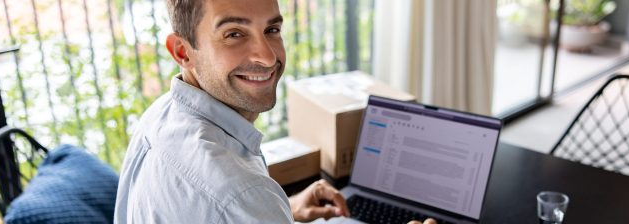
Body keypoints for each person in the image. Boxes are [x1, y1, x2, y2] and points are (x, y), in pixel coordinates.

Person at [114, 0, 436, 223]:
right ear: (183, 52)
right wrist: (260, 208)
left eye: (272, 30)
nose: (268, 57)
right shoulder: (239, 192)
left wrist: (283, 210)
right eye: (234, 34)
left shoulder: (159, 117)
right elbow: (231, 201)